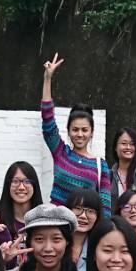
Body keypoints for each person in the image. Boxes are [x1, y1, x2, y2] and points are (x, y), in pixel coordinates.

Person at [39, 53, 112, 212]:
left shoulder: (100, 165)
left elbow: (105, 207)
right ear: (69, 131)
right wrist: (47, 79)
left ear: (91, 132)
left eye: (84, 130)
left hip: (84, 223)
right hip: (57, 221)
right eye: (75, 129)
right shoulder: (61, 152)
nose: (80, 134)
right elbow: (48, 120)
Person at [0, 161, 41, 263]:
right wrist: (2, 241)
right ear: (8, 186)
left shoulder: (44, 221)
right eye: (15, 181)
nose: (21, 187)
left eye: (27, 181)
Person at [65, 190, 98, 271]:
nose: (83, 216)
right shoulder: (55, 244)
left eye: (90, 211)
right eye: (78, 208)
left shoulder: (99, 249)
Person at [109, 127, 136, 200]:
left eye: (132, 144)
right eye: (124, 143)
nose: (128, 147)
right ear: (115, 147)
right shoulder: (109, 176)